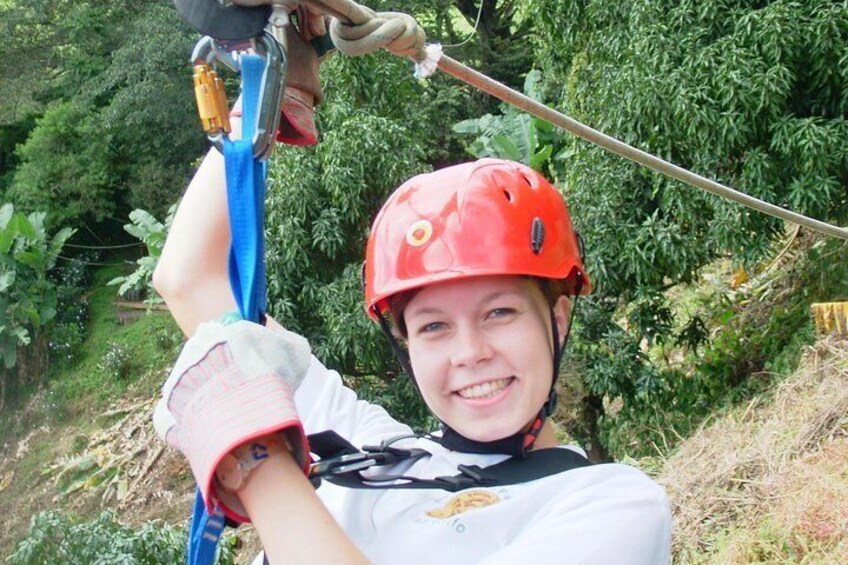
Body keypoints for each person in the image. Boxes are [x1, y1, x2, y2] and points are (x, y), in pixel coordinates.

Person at [152, 9, 672, 564]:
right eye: (433, 327)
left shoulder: (612, 507)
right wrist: (274, 76)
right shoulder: (367, 448)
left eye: (499, 313)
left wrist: (253, 461)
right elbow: (190, 279)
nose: (470, 353)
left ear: (558, 320)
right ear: (405, 344)